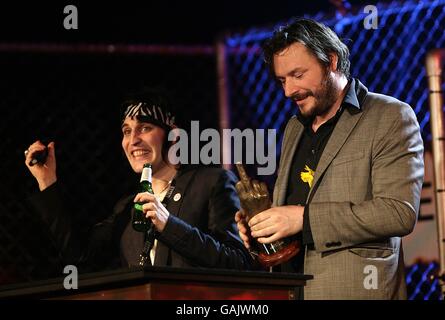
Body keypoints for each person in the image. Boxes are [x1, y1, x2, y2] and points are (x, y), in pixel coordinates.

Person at [235, 18, 424, 299]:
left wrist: (303, 219)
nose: (288, 91)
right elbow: (296, 210)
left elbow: (398, 213)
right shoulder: (293, 128)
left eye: (298, 75)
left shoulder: (390, 116)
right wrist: (265, 226)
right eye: (282, 80)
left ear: (331, 61)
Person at [25, 88, 253, 273]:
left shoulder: (212, 182)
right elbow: (80, 257)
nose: (133, 140)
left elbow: (238, 262)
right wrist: (47, 182)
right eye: (126, 131)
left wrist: (169, 225)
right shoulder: (126, 207)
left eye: (144, 128)